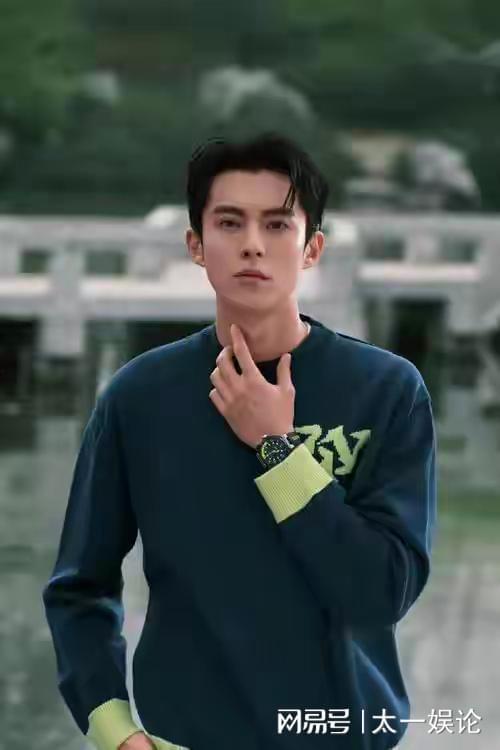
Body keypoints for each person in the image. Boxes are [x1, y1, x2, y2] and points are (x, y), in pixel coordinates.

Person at [42, 132, 437, 750]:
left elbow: (381, 595)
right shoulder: (138, 396)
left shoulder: (387, 390)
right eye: (230, 222)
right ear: (196, 245)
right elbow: (79, 586)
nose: (253, 244)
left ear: (312, 248)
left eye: (277, 224)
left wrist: (279, 449)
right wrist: (116, 732)